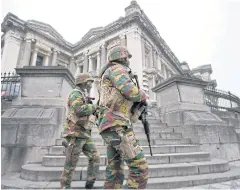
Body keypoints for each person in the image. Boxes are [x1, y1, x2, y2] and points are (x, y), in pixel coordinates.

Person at [97, 45, 149, 189]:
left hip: (109, 126)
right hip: (117, 125)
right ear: (122, 57)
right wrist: (144, 95)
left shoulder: (108, 72)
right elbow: (130, 91)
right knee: (140, 170)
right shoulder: (117, 69)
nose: (128, 60)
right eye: (127, 57)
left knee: (114, 171)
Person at [60, 73, 100, 189]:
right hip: (75, 134)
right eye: (89, 81)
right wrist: (94, 107)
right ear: (83, 82)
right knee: (70, 165)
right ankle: (65, 187)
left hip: (84, 133)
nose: (91, 84)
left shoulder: (83, 95)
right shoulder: (75, 94)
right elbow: (78, 110)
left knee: (95, 157)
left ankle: (90, 182)